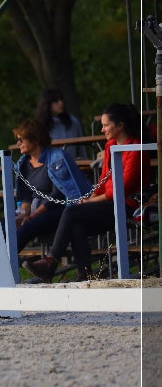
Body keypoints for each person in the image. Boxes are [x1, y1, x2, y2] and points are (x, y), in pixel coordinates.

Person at [24, 103, 149, 283]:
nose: (102, 129)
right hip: (109, 203)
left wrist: (91, 202)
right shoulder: (110, 146)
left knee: (71, 212)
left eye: (106, 125)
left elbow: (121, 189)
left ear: (120, 126)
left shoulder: (136, 148)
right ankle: (85, 276)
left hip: (128, 205)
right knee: (76, 223)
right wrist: (89, 198)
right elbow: (103, 181)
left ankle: (51, 262)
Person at [12, 118, 92, 270]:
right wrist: (23, 214)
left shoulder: (58, 158)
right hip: (37, 210)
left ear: (35, 139)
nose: (18, 144)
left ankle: (2, 262)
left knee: (28, 226)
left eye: (21, 139)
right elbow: (26, 197)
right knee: (5, 223)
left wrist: (33, 216)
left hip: (58, 209)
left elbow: (56, 196)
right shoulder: (23, 164)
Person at [35, 88, 86, 159]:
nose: (61, 103)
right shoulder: (39, 125)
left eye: (61, 99)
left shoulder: (73, 121)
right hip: (49, 167)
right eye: (56, 101)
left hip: (73, 165)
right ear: (47, 104)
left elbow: (81, 148)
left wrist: (84, 162)